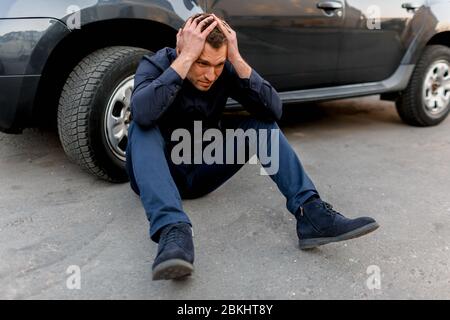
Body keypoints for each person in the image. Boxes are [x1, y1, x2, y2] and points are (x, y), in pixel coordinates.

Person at [126, 13, 379, 281]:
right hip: (159, 174)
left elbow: (274, 110)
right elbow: (142, 113)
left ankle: (311, 214)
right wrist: (184, 59)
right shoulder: (155, 65)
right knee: (142, 126)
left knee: (261, 125)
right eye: (201, 63)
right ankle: (173, 231)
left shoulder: (224, 69)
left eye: (218, 64)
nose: (210, 74)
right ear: (182, 49)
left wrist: (235, 59)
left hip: (200, 171)